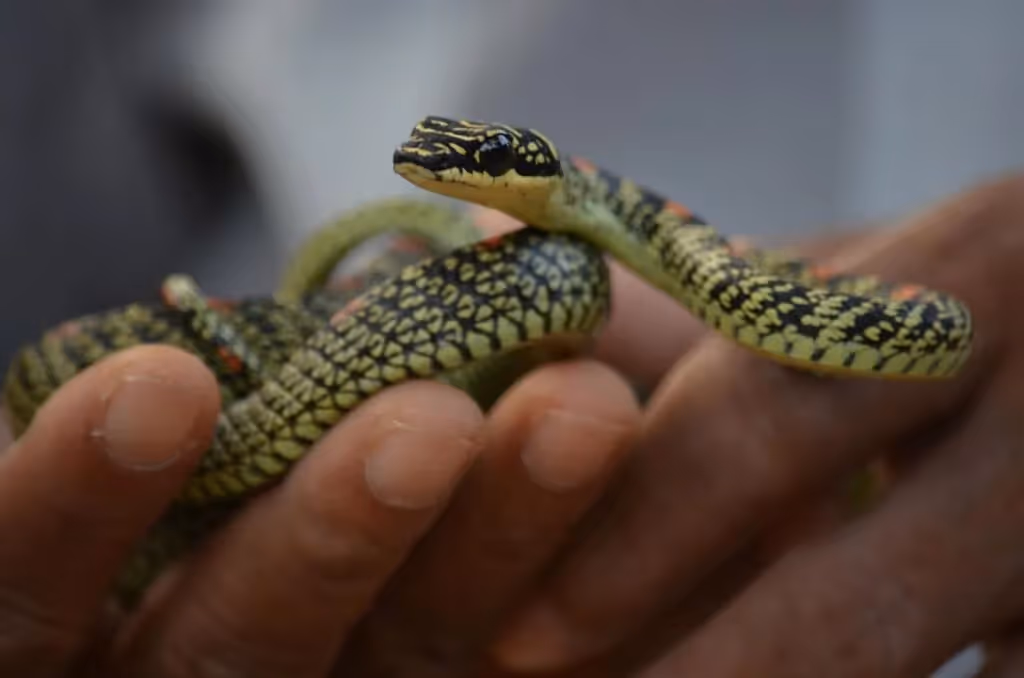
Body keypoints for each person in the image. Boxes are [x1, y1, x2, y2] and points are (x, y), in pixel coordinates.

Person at [1, 173, 1021, 677]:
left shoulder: (591, 248)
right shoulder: (554, 251)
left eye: (473, 159)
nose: (439, 164)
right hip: (289, 312)